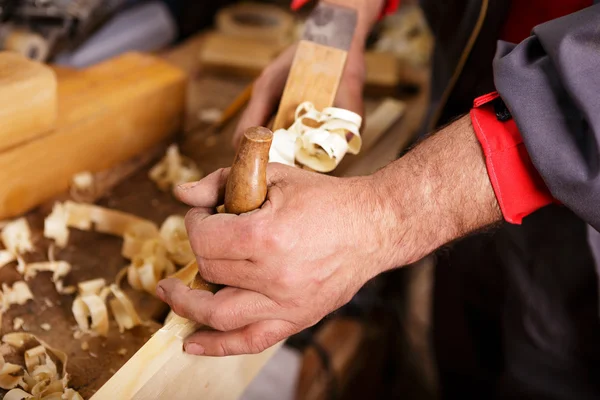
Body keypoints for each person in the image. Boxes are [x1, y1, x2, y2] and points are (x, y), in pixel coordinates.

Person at [157, 0, 600, 397]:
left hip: (583, 176)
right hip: (475, 80)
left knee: (549, 363)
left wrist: (387, 213)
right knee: (459, 338)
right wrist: (337, 19)